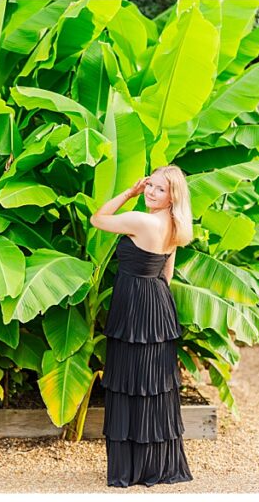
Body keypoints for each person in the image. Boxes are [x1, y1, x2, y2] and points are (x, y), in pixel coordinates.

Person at [90, 165, 195, 487]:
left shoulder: (141, 220)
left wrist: (129, 193)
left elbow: (97, 218)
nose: (150, 192)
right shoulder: (176, 226)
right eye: (149, 185)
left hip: (134, 306)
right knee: (153, 385)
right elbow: (168, 274)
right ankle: (157, 466)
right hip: (158, 304)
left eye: (159, 189)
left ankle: (131, 468)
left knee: (130, 382)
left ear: (171, 196)